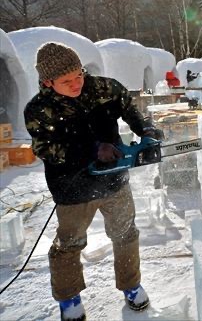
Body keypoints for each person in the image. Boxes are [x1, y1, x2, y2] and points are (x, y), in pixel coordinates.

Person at [24, 43, 160, 320]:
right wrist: (91, 151)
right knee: (70, 243)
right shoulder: (39, 109)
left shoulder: (104, 88)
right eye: (66, 81)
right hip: (72, 186)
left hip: (114, 178)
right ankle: (69, 297)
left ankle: (131, 285)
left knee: (125, 233)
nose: (76, 84)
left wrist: (146, 130)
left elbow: (132, 110)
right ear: (48, 82)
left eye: (79, 75)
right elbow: (44, 149)